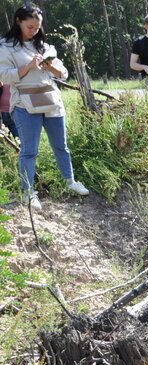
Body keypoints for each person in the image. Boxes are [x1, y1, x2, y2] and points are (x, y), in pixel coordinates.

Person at [0, 4, 89, 211]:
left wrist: (52, 67)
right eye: (30, 27)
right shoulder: (6, 46)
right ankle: (28, 192)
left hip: (50, 100)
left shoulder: (44, 46)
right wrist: (29, 66)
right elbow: (4, 75)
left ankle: (70, 181)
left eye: (37, 27)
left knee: (61, 146)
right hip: (24, 103)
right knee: (29, 151)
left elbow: (63, 74)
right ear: (18, 22)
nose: (34, 31)